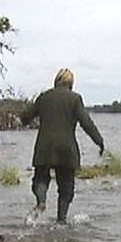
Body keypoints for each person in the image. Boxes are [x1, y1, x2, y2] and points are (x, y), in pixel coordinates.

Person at [21, 68, 104, 223]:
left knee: (40, 179)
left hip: (44, 147)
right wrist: (99, 141)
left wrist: (24, 119)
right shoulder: (75, 99)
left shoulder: (44, 97)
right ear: (71, 84)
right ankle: (61, 220)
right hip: (67, 149)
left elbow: (26, 116)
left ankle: (41, 201)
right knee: (66, 187)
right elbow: (86, 122)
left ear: (56, 81)